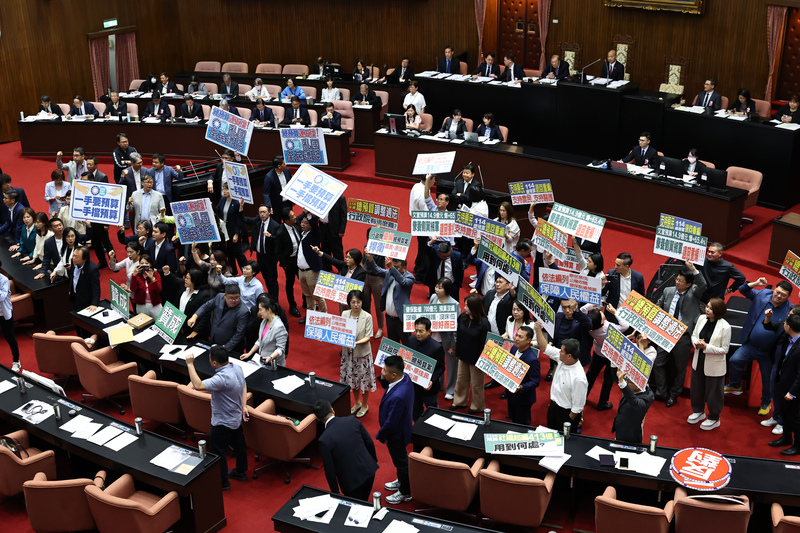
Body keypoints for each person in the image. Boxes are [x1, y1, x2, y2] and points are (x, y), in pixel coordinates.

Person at [725, 278, 794, 415]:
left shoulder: (789, 310)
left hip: (769, 353)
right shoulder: (763, 294)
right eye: (778, 292)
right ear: (774, 289)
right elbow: (743, 290)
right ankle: (735, 385)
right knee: (734, 360)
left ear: (788, 297)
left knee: (768, 380)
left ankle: (765, 403)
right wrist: (756, 283)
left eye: (783, 295)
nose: (779, 296)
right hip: (751, 344)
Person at [186, 347, 248, 490]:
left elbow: (198, 385)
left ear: (214, 363)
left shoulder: (221, 379)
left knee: (217, 452)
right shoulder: (237, 368)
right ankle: (240, 472)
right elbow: (244, 384)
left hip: (222, 421)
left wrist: (190, 364)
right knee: (239, 444)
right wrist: (243, 405)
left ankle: (223, 483)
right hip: (236, 417)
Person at [653, 263, 707, 407]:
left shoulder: (694, 292)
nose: (677, 282)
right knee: (658, 362)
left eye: (681, 281)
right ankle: (661, 391)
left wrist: (693, 269)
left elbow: (702, 284)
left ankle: (674, 394)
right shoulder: (668, 291)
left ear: (689, 284)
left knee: (680, 368)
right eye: (677, 279)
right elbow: (658, 306)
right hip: (666, 333)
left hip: (683, 336)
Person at [313, 399, 378, 501]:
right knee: (365, 500)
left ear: (318, 418)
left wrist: (335, 492)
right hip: (368, 470)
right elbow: (369, 442)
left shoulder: (324, 439)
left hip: (351, 482)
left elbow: (329, 470)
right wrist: (372, 461)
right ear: (332, 410)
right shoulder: (351, 420)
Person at [686, 298, 731, 431]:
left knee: (713, 393)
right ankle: (698, 411)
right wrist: (696, 343)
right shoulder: (701, 319)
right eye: (707, 307)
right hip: (698, 359)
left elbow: (725, 349)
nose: (707, 309)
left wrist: (706, 347)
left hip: (714, 364)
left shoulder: (725, 327)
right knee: (696, 387)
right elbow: (694, 335)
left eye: (710, 308)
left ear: (717, 311)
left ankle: (714, 417)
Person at [534, 321, 588, 431]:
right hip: (553, 406)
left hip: (566, 413)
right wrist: (538, 330)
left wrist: (568, 420)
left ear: (569, 356)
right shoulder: (562, 358)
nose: (559, 352)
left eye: (562, 351)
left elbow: (578, 406)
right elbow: (545, 348)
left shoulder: (579, 378)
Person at [376, 355, 414, 505]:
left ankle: (406, 492)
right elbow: (388, 387)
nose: (382, 372)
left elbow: (391, 422)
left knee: (401, 461)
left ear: (393, 374)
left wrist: (381, 435)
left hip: (396, 435)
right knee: (400, 461)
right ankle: (401, 481)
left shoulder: (398, 396)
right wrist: (384, 377)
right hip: (401, 429)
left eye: (384, 370)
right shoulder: (405, 378)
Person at [583, 304, 630, 411]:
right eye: (601, 314)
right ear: (601, 321)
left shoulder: (589, 327)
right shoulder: (608, 328)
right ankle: (602, 403)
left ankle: (582, 397)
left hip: (598, 353)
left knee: (591, 375)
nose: (602, 312)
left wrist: (591, 304)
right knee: (608, 380)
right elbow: (625, 326)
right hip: (611, 356)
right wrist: (615, 312)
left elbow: (582, 311)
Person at [451, 294, 491, 414]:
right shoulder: (463, 317)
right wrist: (458, 352)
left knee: (477, 385)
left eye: (467, 306)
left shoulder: (484, 323)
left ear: (474, 307)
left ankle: (477, 406)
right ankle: (459, 401)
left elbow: (486, 344)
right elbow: (458, 335)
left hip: (477, 359)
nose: (465, 308)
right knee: (461, 380)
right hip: (463, 355)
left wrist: (482, 361)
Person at [363, 254, 414, 343]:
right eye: (393, 266)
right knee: (393, 343)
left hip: (402, 318)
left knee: (407, 343)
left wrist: (392, 268)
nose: (393, 269)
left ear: (404, 267)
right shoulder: (390, 272)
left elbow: (403, 282)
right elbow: (376, 269)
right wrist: (370, 259)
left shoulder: (409, 277)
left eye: (397, 267)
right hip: (389, 317)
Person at [768, 314, 800, 455]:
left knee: (794, 417)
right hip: (783, 382)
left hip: (793, 389)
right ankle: (786, 438)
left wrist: (792, 392)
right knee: (785, 414)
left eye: (785, 323)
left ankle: (798, 445)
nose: (784, 324)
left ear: (790, 327)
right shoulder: (789, 339)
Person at [341, 290, 375, 418]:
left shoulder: (367, 316)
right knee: (352, 380)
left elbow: (368, 336)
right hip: (348, 354)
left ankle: (365, 405)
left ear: (362, 302)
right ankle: (357, 403)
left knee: (364, 382)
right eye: (353, 302)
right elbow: (338, 331)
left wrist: (356, 343)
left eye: (358, 302)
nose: (356, 305)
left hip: (362, 355)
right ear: (349, 303)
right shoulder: (344, 314)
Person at [188, 284, 249, 351]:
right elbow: (206, 306)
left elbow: (239, 333)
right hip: (213, 340)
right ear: (225, 296)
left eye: (237, 298)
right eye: (231, 298)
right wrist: (194, 316)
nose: (234, 301)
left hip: (230, 347)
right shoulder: (219, 297)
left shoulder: (243, 311)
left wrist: (227, 347)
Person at [406, 317, 445, 420]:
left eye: (421, 331)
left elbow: (441, 367)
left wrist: (432, 380)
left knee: (433, 414)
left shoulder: (436, 347)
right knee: (415, 412)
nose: (418, 334)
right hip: (413, 386)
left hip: (429, 388)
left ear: (429, 331)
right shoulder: (411, 340)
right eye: (416, 330)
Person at [430, 278, 460, 400]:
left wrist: (454, 344)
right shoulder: (433, 298)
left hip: (447, 339)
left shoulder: (454, 304)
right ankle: (438, 385)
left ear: (446, 290)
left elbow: (456, 328)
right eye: (436, 286)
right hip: (434, 337)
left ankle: (451, 389)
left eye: (440, 287)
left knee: (452, 366)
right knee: (436, 362)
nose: (437, 290)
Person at [506, 326, 540, 425]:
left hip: (523, 398)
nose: (516, 338)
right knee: (513, 417)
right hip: (511, 393)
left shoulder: (532, 359)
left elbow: (535, 381)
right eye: (516, 335)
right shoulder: (513, 349)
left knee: (522, 423)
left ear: (529, 341)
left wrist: (521, 387)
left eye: (520, 337)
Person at [245, 204, 280, 301]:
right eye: (260, 212)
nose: (262, 214)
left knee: (272, 279)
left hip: (270, 256)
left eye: (264, 212)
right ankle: (270, 296)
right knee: (265, 277)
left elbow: (279, 241)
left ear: (269, 212)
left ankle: (275, 301)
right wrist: (240, 208)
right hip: (260, 255)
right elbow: (245, 219)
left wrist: (271, 236)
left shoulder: (275, 225)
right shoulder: (257, 222)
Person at [296, 212, 326, 321]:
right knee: (307, 295)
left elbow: (314, 223)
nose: (302, 224)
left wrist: (309, 214)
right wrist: (304, 213)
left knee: (317, 296)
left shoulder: (314, 234)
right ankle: (311, 316)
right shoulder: (302, 234)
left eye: (305, 223)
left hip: (311, 271)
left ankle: (324, 316)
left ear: (310, 225)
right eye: (302, 222)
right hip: (301, 271)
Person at [613, 365, 655, 444]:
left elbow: (634, 402)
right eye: (626, 380)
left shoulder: (646, 399)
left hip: (630, 435)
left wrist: (622, 383)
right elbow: (618, 378)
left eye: (629, 382)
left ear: (639, 385)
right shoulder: (633, 387)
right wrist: (613, 364)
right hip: (620, 426)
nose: (626, 383)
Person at [241, 298, 288, 367]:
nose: (259, 312)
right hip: (263, 360)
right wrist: (249, 353)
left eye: (260, 310)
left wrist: (270, 357)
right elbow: (260, 340)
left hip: (274, 364)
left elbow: (280, 348)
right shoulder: (264, 321)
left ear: (268, 310)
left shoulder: (279, 327)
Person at [274, 207, 302, 318]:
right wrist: (284, 264)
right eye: (292, 216)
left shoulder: (296, 225)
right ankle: (292, 306)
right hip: (289, 261)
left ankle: (306, 302)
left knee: (304, 281)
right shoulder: (280, 232)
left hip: (300, 259)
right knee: (290, 283)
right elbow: (277, 250)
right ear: (286, 220)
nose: (295, 217)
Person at [409, 173, 436, 282]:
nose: (435, 182)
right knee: (424, 248)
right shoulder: (421, 195)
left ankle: (417, 266)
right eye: (434, 179)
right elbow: (427, 213)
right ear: (429, 180)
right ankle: (420, 274)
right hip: (423, 223)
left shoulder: (417, 185)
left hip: (417, 220)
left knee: (421, 246)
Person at [0, 262, 21, 372]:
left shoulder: (4, 280)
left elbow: (2, 297)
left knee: (10, 338)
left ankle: (16, 361)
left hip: (4, 314)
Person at [129, 254, 162, 319]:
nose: (144, 265)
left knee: (159, 323)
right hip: (141, 305)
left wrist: (152, 278)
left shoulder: (156, 274)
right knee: (142, 324)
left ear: (150, 264)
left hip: (155, 304)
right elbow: (133, 288)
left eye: (146, 263)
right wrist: (134, 276)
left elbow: (159, 290)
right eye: (142, 263)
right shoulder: (137, 275)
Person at [68, 247, 100, 312]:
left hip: (85, 300)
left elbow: (96, 288)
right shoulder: (73, 262)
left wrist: (94, 304)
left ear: (84, 259)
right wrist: (70, 289)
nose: (73, 258)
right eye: (73, 255)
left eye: (76, 257)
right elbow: (72, 276)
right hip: (74, 295)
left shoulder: (92, 269)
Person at [263, 155, 293, 222]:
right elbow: (266, 194)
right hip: (276, 205)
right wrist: (269, 206)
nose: (286, 164)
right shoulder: (269, 177)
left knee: (289, 221)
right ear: (279, 166)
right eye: (284, 163)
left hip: (287, 203)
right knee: (277, 223)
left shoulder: (287, 171)